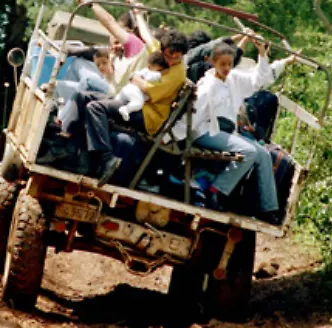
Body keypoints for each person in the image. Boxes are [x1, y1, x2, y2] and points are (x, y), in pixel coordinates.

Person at [173, 40, 297, 224]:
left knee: (262, 154)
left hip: (226, 132)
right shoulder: (207, 85)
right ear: (213, 62)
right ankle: (217, 192)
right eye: (222, 64)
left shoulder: (233, 78)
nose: (226, 68)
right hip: (206, 131)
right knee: (249, 151)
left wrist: (262, 55)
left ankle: (269, 208)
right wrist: (173, 136)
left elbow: (258, 79)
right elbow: (194, 116)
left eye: (229, 64)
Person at [84, 28, 189, 184]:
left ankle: (107, 160)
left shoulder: (178, 73)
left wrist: (135, 77)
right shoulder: (160, 53)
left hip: (148, 115)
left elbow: (148, 89)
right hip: (136, 102)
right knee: (84, 97)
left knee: (95, 108)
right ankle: (72, 147)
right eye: (168, 56)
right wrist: (137, 13)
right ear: (162, 50)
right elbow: (148, 37)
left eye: (177, 57)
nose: (171, 61)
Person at [115, 51, 169, 122]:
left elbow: (133, 75)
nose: (160, 72)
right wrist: (162, 74)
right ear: (149, 66)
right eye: (159, 70)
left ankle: (114, 102)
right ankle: (126, 109)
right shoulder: (153, 74)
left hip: (127, 89)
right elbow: (153, 78)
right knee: (138, 103)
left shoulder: (143, 71)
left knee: (118, 100)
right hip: (135, 92)